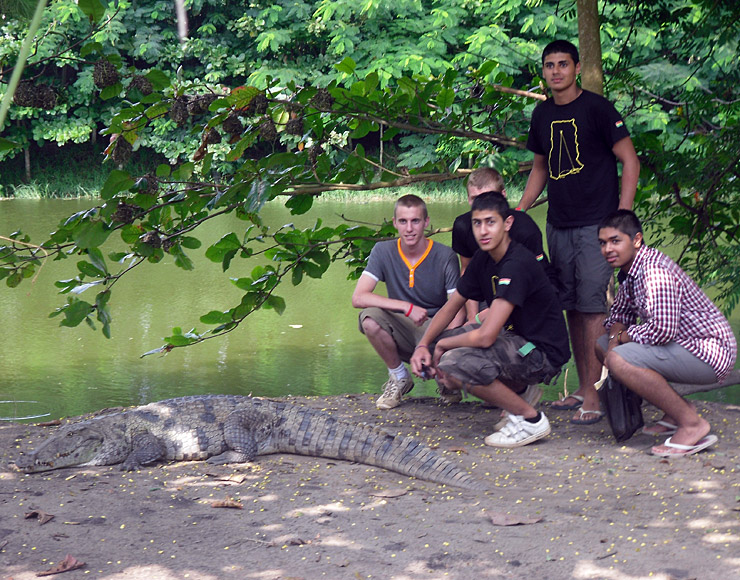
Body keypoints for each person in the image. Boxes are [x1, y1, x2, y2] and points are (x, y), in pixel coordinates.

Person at [517, 39, 641, 425]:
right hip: (558, 223)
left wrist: (621, 217)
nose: (556, 71)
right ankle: (586, 386)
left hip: (595, 225)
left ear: (576, 68)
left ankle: (593, 393)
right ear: (544, 71)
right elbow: (540, 167)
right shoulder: (541, 114)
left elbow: (630, 160)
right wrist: (520, 210)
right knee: (570, 305)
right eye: (549, 65)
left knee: (591, 308)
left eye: (563, 64)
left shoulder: (598, 109)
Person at [410, 193, 571, 448]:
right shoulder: (484, 259)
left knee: (456, 361)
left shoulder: (516, 263)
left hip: (540, 351)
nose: (483, 231)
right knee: (431, 345)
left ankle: (530, 420)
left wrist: (443, 349)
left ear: (507, 223)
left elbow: (486, 336)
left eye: (490, 222)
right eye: (477, 223)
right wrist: (424, 345)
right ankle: (520, 393)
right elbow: (451, 307)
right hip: (514, 340)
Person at [596, 210, 737, 456]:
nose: (608, 249)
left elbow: (662, 330)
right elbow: (618, 315)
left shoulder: (654, 271)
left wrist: (620, 342)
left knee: (620, 359)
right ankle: (676, 411)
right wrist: (611, 344)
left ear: (636, 240)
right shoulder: (630, 271)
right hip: (683, 346)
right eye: (603, 243)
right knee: (602, 346)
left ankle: (692, 425)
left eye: (615, 241)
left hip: (709, 352)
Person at [352, 194, 465, 410]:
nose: (409, 228)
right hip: (403, 325)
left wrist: (441, 346)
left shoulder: (445, 256)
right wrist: (406, 307)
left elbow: (458, 309)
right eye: (403, 221)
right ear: (394, 223)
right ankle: (399, 377)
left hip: (437, 328)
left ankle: (445, 378)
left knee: (458, 332)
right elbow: (359, 297)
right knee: (368, 318)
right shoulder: (382, 251)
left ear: (426, 222)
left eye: (415, 221)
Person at [452, 167, 557, 326]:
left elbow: (535, 283)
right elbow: (467, 271)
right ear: (467, 199)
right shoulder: (463, 226)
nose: (482, 205)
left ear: (503, 195)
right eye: (475, 199)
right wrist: (472, 318)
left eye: (489, 197)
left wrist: (483, 318)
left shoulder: (525, 229)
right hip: (487, 294)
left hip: (525, 298)